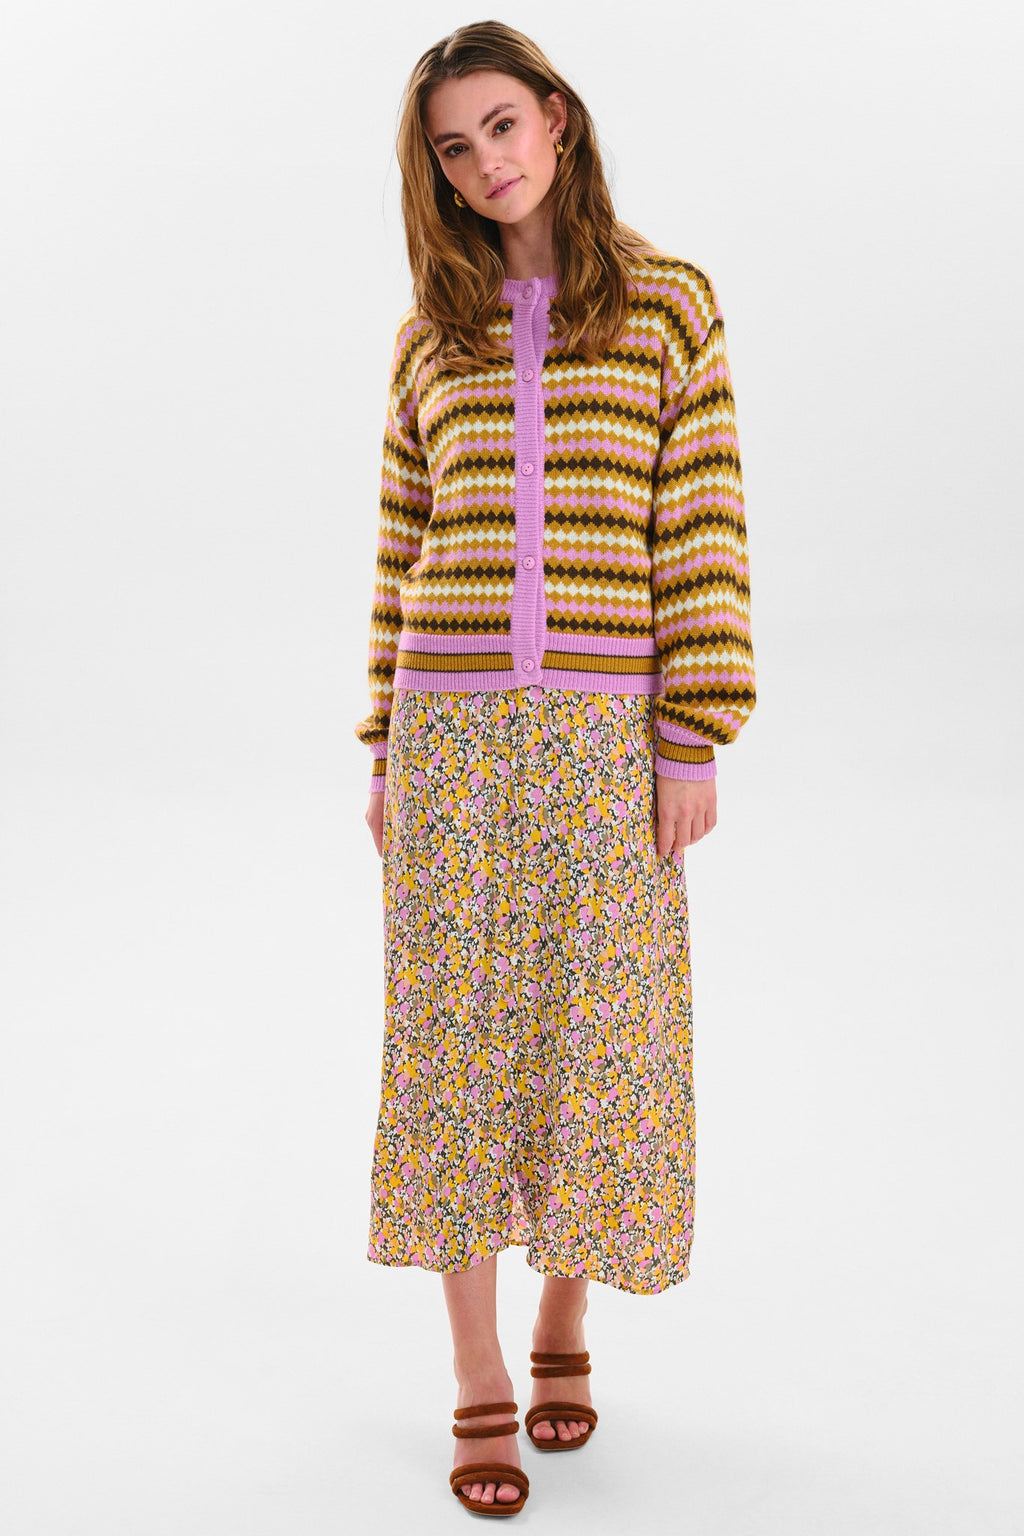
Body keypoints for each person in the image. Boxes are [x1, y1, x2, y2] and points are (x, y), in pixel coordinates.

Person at [354, 21, 757, 1518]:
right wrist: (385, 746)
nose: (485, 164)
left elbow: (702, 522)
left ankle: (565, 1319)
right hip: (451, 740)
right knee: (453, 1044)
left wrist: (690, 729)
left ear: (559, 121)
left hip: (605, 737)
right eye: (454, 149)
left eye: (502, 126)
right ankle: (475, 1371)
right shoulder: (430, 336)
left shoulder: (668, 308)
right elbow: (400, 549)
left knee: (603, 1033)